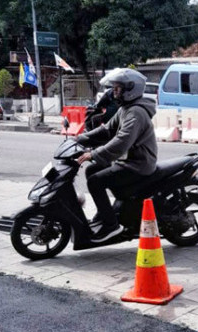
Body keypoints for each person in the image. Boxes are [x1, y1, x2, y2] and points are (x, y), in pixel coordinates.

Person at [75, 68, 157, 243]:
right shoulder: (125, 109)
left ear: (130, 89)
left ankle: (111, 225)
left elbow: (122, 141)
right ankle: (104, 214)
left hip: (138, 164)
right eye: (114, 88)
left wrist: (93, 153)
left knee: (95, 181)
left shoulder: (136, 112)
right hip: (128, 161)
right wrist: (80, 139)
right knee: (92, 171)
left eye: (117, 88)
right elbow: (107, 130)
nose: (114, 92)